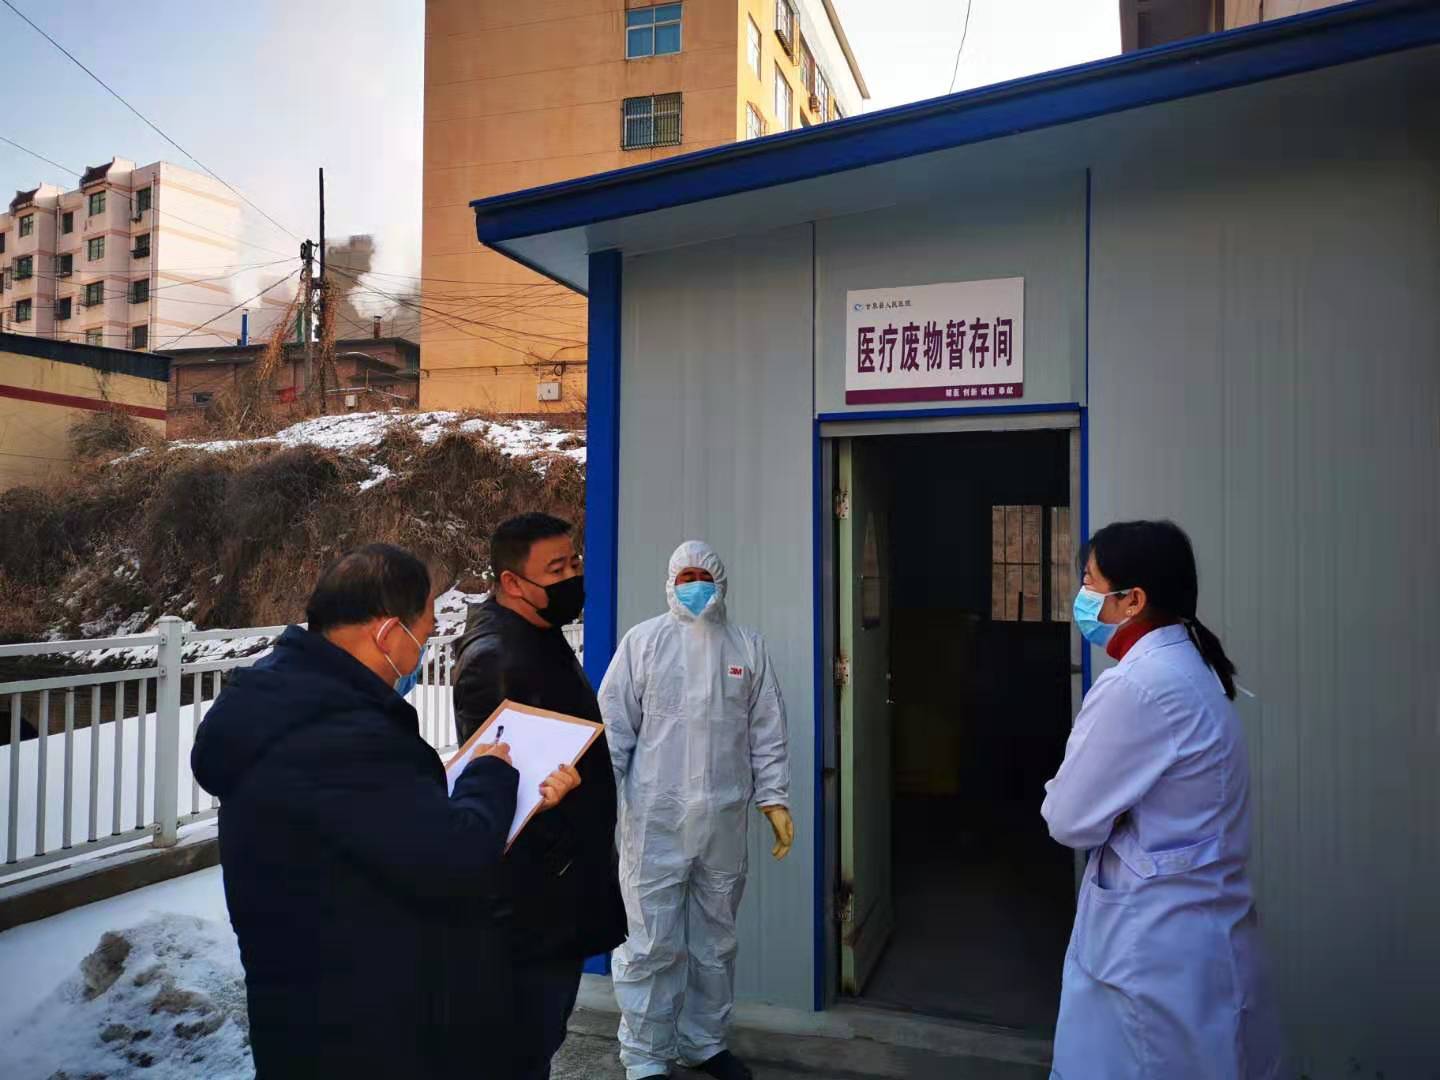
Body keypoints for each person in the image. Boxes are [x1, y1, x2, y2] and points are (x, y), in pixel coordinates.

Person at [191, 544, 580, 1080]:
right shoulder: (345, 734)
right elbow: (455, 858)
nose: (422, 651)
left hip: (298, 1009)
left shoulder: (280, 703)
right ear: (388, 634)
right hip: (368, 1028)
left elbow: (373, 832)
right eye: (423, 633)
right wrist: (490, 774)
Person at [1042, 521, 1283, 1080]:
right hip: (1195, 940)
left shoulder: (1137, 686)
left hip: (1152, 953)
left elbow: (1067, 819)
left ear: (1133, 600)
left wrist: (1111, 814)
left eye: (1090, 581)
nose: (1082, 596)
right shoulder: (1190, 669)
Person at [598, 541, 793, 1080]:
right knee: (649, 943)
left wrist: (775, 799)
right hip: (654, 822)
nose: (695, 586)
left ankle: (704, 1043)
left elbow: (768, 732)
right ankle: (645, 1056)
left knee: (715, 942)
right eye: (685, 577)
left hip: (723, 822)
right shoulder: (644, 643)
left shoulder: (747, 647)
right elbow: (613, 729)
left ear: (721, 581)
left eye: (703, 576)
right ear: (670, 582)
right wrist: (598, 804)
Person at [453, 513, 628, 1080]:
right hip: (534, 906)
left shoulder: (537, 633)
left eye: (574, 562)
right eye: (556, 569)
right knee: (522, 1046)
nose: (572, 577)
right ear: (511, 582)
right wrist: (567, 851)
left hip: (561, 888)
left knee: (542, 1037)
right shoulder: (497, 659)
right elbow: (499, 788)